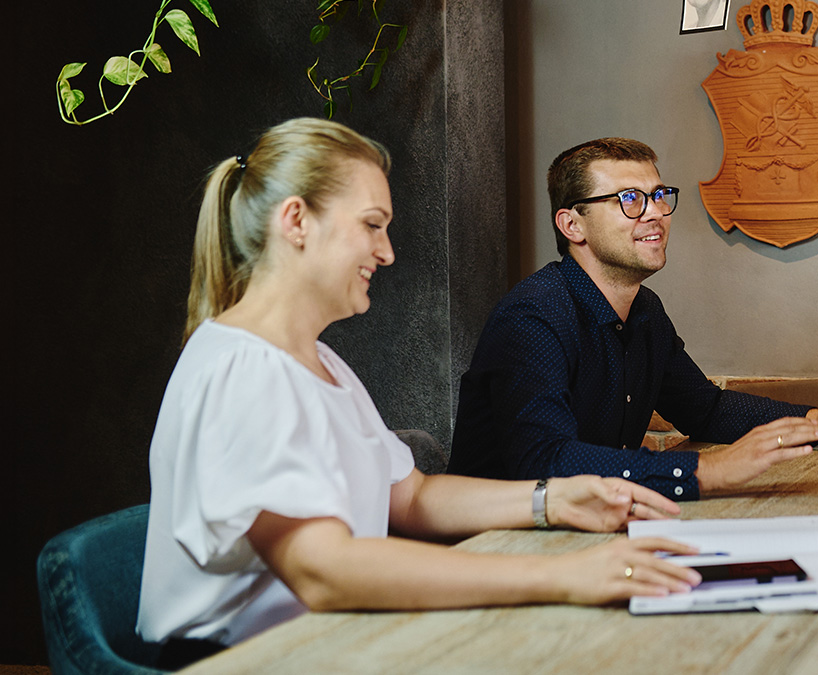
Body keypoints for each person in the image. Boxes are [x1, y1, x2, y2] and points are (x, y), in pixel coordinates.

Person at [135, 120, 702, 670]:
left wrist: (553, 499)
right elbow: (324, 571)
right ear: (296, 222)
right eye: (372, 225)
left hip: (332, 639)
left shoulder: (319, 360)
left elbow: (411, 499)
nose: (386, 253)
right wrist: (564, 576)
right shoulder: (243, 370)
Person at [447, 137, 818, 500]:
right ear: (572, 226)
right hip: (500, 547)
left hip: (594, 528)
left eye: (659, 196)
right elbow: (545, 461)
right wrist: (709, 470)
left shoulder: (645, 310)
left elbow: (706, 410)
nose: (656, 213)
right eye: (629, 199)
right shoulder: (534, 315)